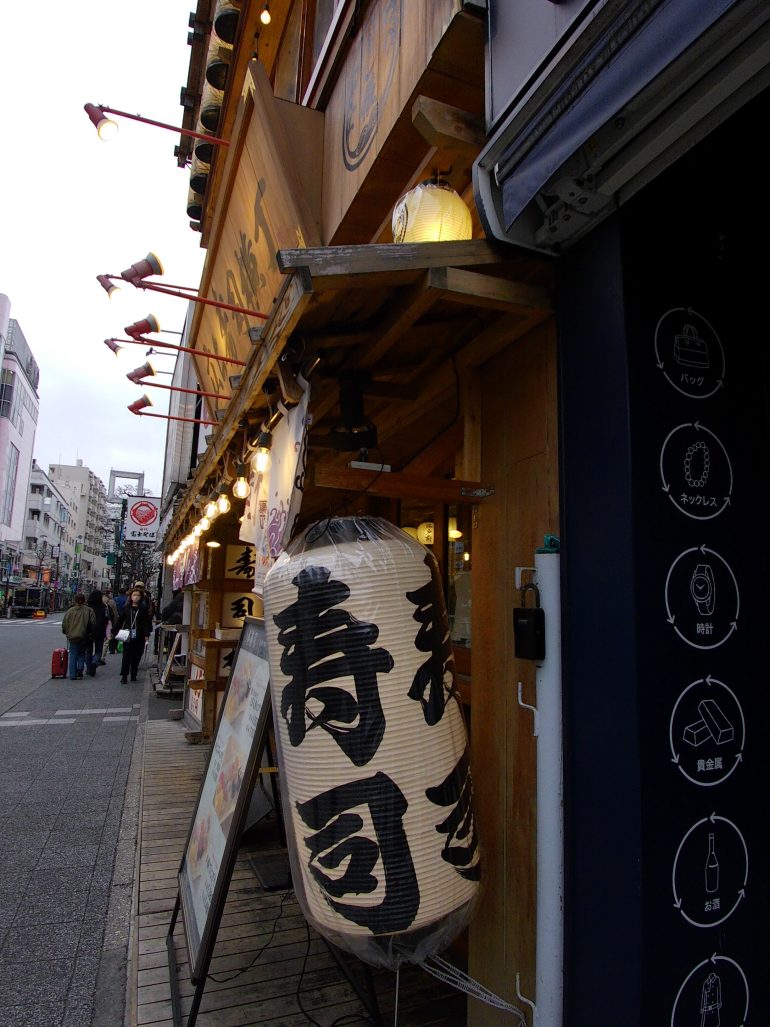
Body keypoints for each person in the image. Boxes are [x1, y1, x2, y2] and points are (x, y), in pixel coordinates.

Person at [114, 587, 153, 683]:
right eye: (134, 595)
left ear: (141, 597)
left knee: (137, 655)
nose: (136, 597)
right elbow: (120, 620)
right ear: (130, 596)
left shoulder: (143, 609)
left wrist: (146, 633)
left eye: (138, 595)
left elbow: (146, 622)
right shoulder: (126, 608)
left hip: (139, 635)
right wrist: (114, 631)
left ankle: (134, 673)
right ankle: (124, 675)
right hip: (128, 634)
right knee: (126, 655)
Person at [61, 593, 95, 680]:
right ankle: (80, 669)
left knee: (73, 654)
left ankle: (72, 674)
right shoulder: (89, 610)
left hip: (72, 636)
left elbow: (64, 624)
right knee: (81, 653)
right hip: (84, 635)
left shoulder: (69, 611)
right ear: (84, 600)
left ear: (75, 600)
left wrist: (66, 631)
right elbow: (93, 623)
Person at [86, 589, 108, 676]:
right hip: (100, 630)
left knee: (88, 650)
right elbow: (107, 619)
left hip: (88, 631)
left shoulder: (87, 608)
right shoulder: (103, 608)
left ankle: (89, 668)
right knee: (99, 650)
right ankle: (94, 663)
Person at [103, 589, 118, 657]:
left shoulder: (98, 601)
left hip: (101, 622)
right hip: (109, 622)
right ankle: (110, 650)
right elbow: (114, 613)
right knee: (109, 636)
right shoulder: (111, 602)